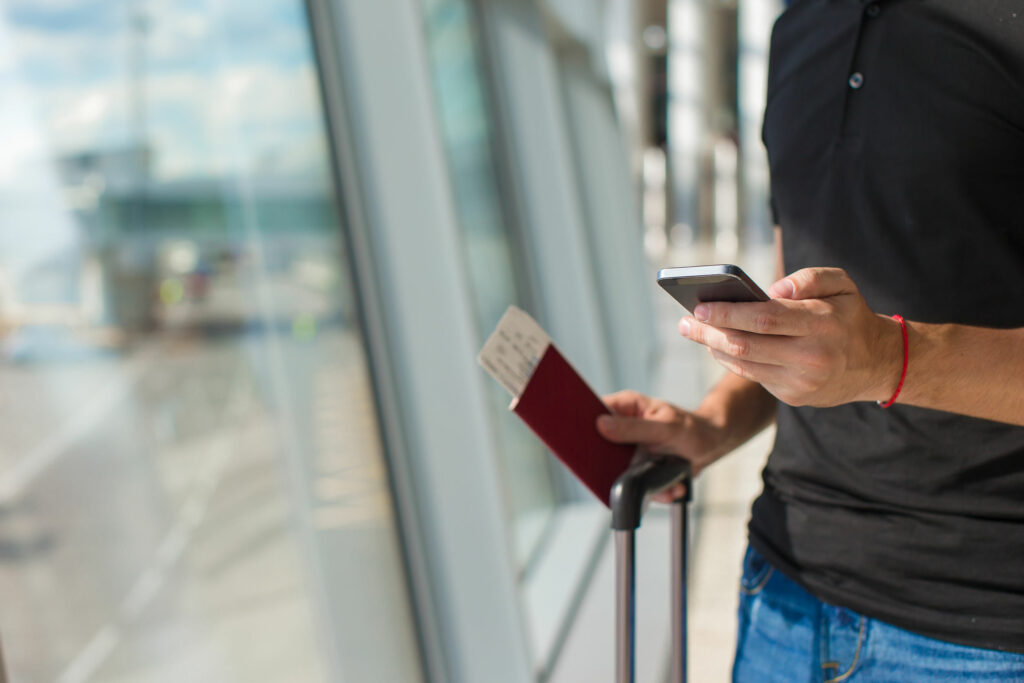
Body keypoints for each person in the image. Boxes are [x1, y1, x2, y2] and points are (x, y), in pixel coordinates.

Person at [597, 0, 1024, 679]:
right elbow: (801, 299)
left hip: (981, 631)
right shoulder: (802, 25)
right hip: (783, 593)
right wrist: (713, 423)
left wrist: (886, 359)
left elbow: (861, 351)